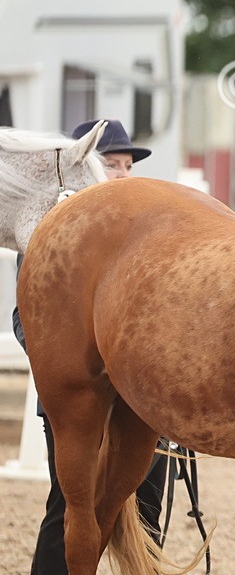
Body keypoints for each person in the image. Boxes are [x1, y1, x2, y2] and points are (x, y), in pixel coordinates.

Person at [11, 119, 169, 575]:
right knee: (68, 509)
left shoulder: (147, 236)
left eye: (125, 166)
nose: (120, 174)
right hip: (76, 402)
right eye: (109, 164)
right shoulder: (51, 233)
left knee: (150, 506)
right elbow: (28, 322)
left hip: (142, 401)